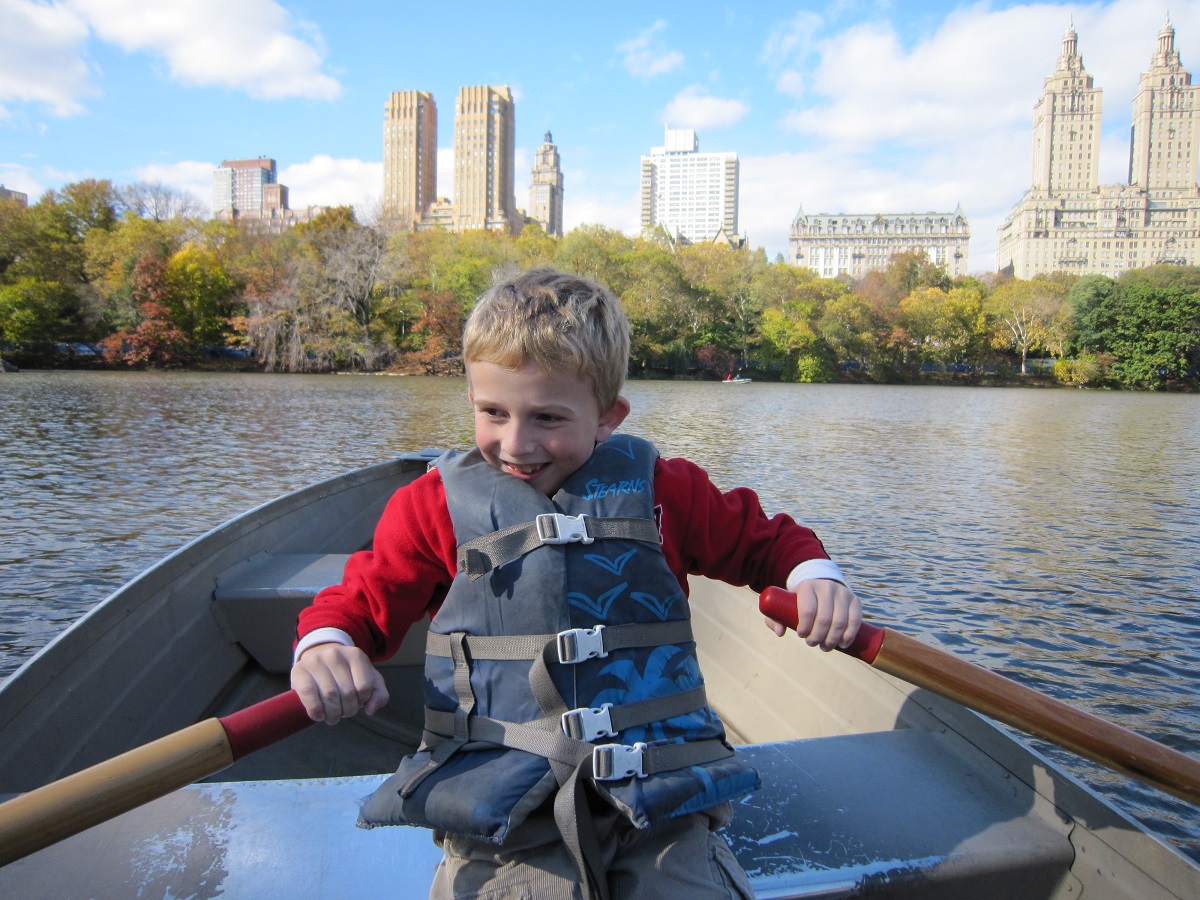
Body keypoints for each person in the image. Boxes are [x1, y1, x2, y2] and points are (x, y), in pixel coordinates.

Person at [290, 268, 861, 900]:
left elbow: (765, 541)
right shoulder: (432, 507)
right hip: (504, 814)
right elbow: (365, 596)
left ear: (607, 417)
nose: (516, 443)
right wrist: (328, 641)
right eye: (493, 412)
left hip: (660, 806)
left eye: (547, 418)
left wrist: (813, 575)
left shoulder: (667, 492)